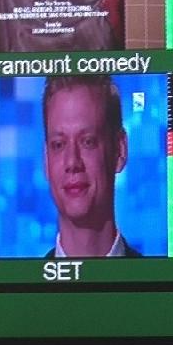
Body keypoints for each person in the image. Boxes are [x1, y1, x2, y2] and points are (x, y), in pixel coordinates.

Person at [42, 75, 136, 258]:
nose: (72, 162)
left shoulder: (163, 274)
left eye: (88, 142)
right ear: (46, 159)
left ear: (119, 150)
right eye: (58, 145)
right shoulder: (22, 277)